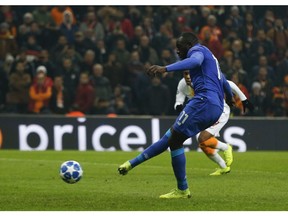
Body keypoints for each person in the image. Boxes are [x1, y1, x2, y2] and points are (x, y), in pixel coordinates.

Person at [118, 32, 234, 199]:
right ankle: (130, 164)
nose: (177, 52)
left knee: (174, 140)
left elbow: (194, 61)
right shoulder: (212, 60)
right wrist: (229, 99)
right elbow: (223, 81)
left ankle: (182, 189)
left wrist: (165, 68)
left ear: (188, 45)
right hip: (215, 107)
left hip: (203, 101)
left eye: (179, 49)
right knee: (171, 137)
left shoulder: (197, 51)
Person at [175, 71, 254, 176]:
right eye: (186, 74)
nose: (188, 77)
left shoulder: (205, 79)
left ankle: (226, 147)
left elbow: (230, 84)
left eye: (190, 74)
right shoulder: (182, 84)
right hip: (202, 113)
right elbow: (178, 100)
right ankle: (223, 167)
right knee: (203, 143)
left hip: (219, 110)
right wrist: (178, 106)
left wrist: (244, 99)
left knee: (202, 138)